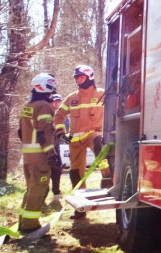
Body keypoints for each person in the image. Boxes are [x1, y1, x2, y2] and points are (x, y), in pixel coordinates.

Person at [55, 64, 110, 218]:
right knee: (75, 173)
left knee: (101, 146)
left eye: (81, 77)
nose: (79, 80)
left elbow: (115, 108)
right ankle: (80, 207)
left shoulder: (102, 94)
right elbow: (59, 116)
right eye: (77, 78)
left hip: (93, 133)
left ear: (90, 77)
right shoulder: (72, 98)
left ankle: (107, 177)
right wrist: (61, 132)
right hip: (75, 139)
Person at [17, 73, 61, 233]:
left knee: (31, 187)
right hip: (40, 156)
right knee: (39, 188)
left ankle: (23, 221)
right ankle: (30, 225)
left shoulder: (27, 105)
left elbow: (20, 132)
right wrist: (51, 154)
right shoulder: (43, 106)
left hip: (28, 156)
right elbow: (44, 133)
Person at [48, 93, 65, 207]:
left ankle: (56, 194)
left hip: (58, 148)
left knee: (57, 171)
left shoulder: (63, 116)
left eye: (59, 101)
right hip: (47, 147)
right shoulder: (46, 114)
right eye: (54, 101)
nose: (56, 103)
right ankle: (42, 196)